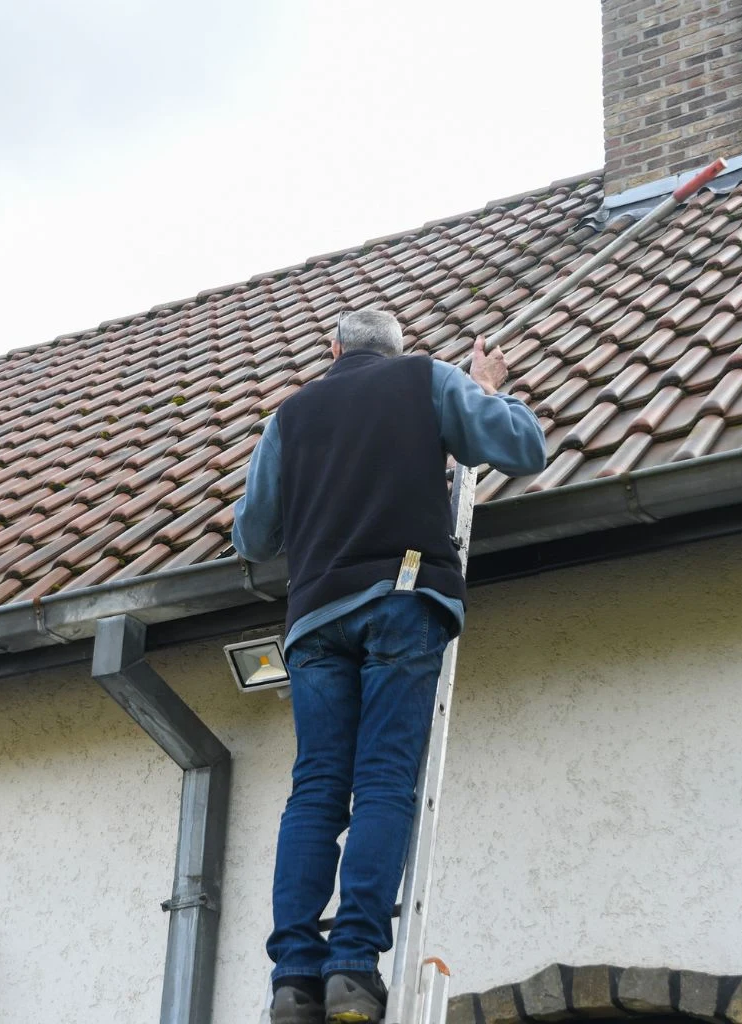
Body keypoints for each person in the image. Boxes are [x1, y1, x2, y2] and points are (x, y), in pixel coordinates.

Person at [233, 308, 546, 1024]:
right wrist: (488, 388)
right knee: (382, 781)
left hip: (313, 620)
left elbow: (253, 535)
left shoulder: (291, 416)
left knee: (315, 791)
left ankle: (293, 978)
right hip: (403, 598)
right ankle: (352, 967)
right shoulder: (427, 380)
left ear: (333, 347)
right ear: (397, 350)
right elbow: (524, 448)